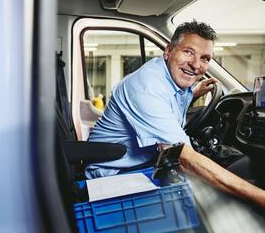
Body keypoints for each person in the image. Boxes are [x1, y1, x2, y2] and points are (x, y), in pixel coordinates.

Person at [85, 20, 265, 209]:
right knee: (215, 198)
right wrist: (260, 198)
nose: (196, 65)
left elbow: (168, 105)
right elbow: (186, 159)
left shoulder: (167, 77)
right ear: (168, 51)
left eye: (205, 58)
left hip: (136, 163)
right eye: (188, 52)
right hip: (111, 175)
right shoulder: (146, 88)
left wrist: (194, 93)